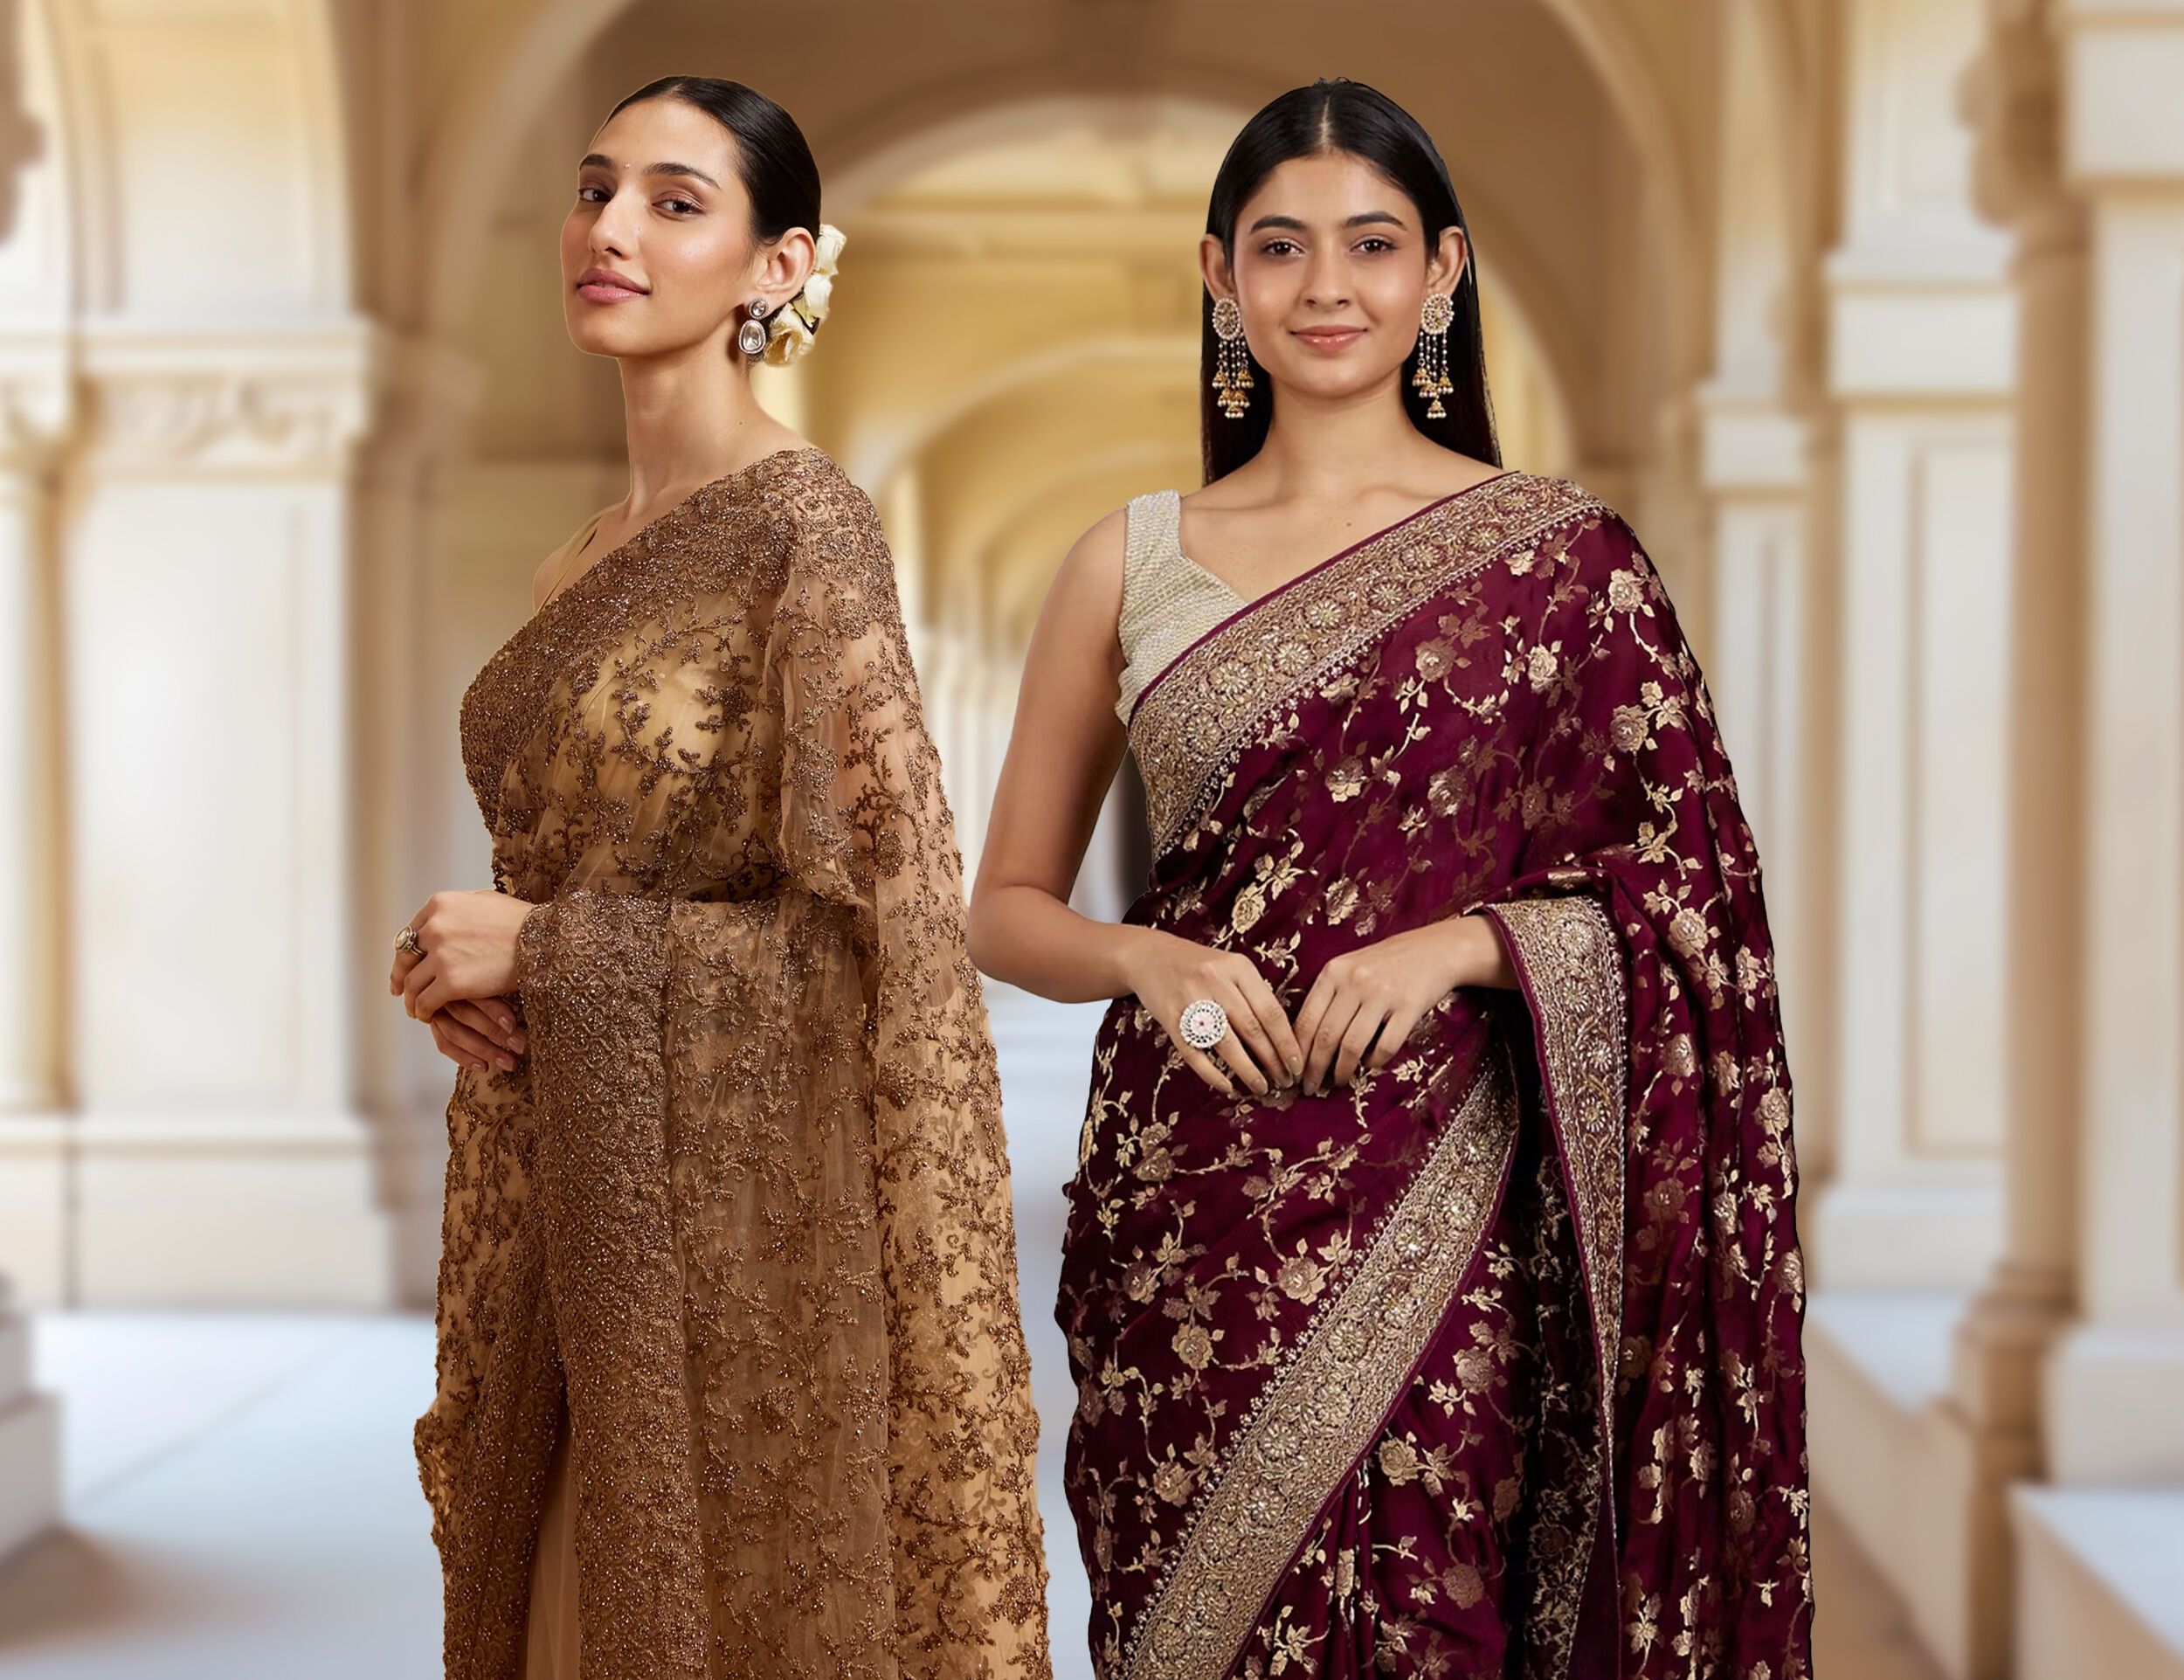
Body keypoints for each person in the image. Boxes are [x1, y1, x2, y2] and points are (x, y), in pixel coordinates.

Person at [968, 80, 1810, 1680]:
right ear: (1219, 278)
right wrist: (1148, 960)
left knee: (1430, 1619)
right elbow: (1005, 906)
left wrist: (1468, 946)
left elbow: (1693, 896)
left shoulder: (1562, 561)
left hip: (1459, 1203)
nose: (1327, 288)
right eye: (1281, 250)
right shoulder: (1126, 559)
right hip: (1188, 1212)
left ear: (1445, 271)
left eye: (1370, 244)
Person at [390, 76, 1049, 1680]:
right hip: (574, 1199)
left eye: (676, 203)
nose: (609, 229)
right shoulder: (578, 559)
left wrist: (555, 951)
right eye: (595, 188)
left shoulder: (804, 532)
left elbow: (878, 949)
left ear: (780, 265)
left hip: (735, 1261)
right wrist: (476, 981)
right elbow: (575, 883)